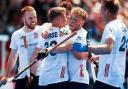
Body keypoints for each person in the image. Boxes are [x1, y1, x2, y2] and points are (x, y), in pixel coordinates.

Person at [73, 0, 128, 89]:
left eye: (101, 9)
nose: (100, 12)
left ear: (107, 11)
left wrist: (86, 48)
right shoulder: (123, 26)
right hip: (118, 77)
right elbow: (116, 50)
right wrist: (99, 57)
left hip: (107, 77)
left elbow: (108, 48)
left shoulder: (111, 26)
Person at [2, 6, 43, 89]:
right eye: (30, 18)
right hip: (22, 75)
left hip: (39, 75)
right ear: (23, 19)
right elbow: (13, 56)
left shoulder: (41, 30)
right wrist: (6, 76)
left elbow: (49, 24)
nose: (34, 20)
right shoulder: (16, 34)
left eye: (35, 17)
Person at [48, 7, 89, 89]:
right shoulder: (66, 29)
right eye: (71, 18)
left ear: (82, 23)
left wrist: (68, 42)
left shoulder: (83, 34)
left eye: (76, 20)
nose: (72, 21)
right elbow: (49, 25)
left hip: (78, 79)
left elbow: (80, 56)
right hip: (65, 79)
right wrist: (46, 31)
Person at [30, 7, 69, 89]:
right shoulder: (66, 31)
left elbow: (35, 55)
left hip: (44, 77)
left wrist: (31, 74)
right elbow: (69, 30)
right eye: (65, 17)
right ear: (58, 19)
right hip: (58, 77)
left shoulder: (44, 34)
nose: (67, 19)